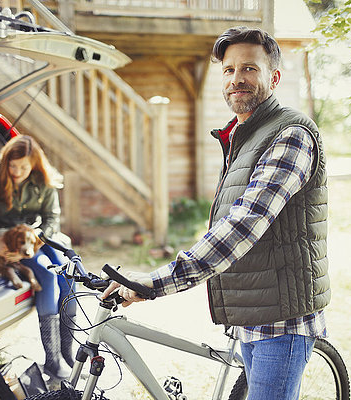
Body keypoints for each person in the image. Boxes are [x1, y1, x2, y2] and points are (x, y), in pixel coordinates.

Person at [103, 26, 330, 399]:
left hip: (283, 320)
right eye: (228, 70)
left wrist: (156, 282)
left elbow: (243, 226)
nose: (236, 78)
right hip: (250, 315)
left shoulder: (291, 134)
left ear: (273, 78)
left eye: (249, 69)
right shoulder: (242, 136)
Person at [0, 135, 76, 380]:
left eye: (23, 166)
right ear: (5, 162)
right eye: (12, 166)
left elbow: (52, 219)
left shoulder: (44, 179)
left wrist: (38, 241)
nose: (17, 172)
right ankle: (53, 361)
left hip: (36, 238)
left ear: (34, 163)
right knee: (46, 274)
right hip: (3, 239)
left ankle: (68, 354)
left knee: (69, 273)